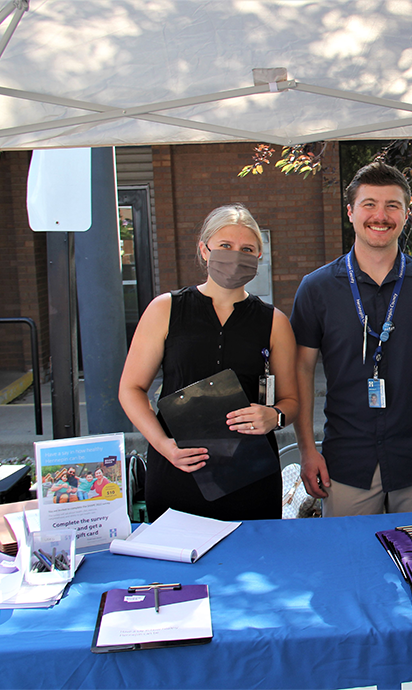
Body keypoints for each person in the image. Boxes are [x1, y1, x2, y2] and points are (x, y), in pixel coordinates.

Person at [290, 161, 412, 517]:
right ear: (351, 212)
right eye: (369, 204)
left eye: (392, 206)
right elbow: (301, 371)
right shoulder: (317, 289)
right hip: (346, 462)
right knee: (350, 564)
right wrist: (308, 450)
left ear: (406, 214)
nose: (380, 215)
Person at [119, 203, 298, 521]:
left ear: (259, 256)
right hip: (177, 468)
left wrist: (275, 416)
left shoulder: (274, 322)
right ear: (204, 250)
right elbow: (131, 389)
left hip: (252, 476)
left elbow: (291, 400)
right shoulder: (165, 309)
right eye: (225, 246)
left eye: (247, 248)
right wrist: (164, 446)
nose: (235, 255)